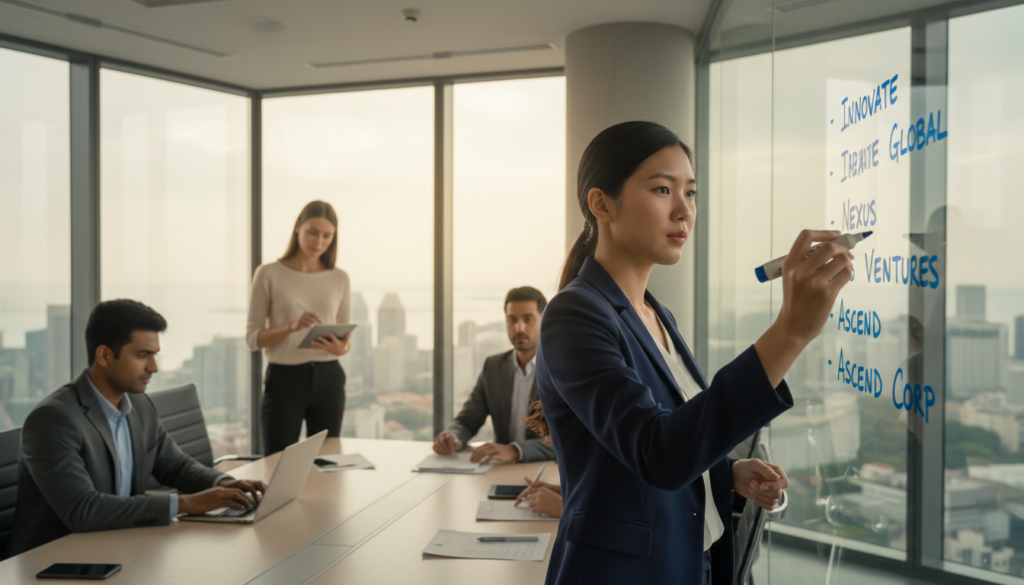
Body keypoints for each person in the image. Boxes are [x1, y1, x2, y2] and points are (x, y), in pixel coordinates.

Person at [537, 121, 853, 584]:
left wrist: (723, 473)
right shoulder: (575, 315)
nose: (684, 211)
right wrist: (789, 332)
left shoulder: (656, 314)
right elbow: (656, 452)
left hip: (687, 562)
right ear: (601, 203)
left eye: (691, 192)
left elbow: (672, 440)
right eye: (663, 190)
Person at [9, 300, 268, 556]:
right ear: (104, 355)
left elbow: (175, 465)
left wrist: (223, 484)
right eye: (142, 355)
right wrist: (188, 503)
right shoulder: (53, 419)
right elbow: (83, 510)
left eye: (154, 355)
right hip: (56, 561)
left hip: (121, 544)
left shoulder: (139, 405)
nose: (153, 368)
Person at [247, 200, 352, 455]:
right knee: (276, 461)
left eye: (327, 236)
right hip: (284, 380)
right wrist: (292, 326)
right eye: (313, 232)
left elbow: (345, 337)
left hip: (329, 378)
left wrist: (341, 347)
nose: (319, 241)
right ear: (298, 228)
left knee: (327, 463)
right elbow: (253, 338)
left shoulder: (339, 278)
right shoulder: (268, 274)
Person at [432, 286, 556, 463]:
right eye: (512, 319)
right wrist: (453, 436)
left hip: (544, 474)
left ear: (544, 320)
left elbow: (566, 436)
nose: (519, 327)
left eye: (528, 319)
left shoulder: (559, 369)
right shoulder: (494, 366)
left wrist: (515, 450)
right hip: (500, 470)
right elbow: (468, 419)